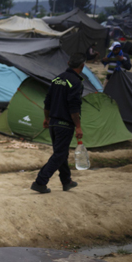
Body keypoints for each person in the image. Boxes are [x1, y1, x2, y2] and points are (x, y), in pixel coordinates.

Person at [31, 52, 86, 194]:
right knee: (60, 154)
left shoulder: (57, 79)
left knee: (61, 153)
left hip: (54, 123)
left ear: (68, 63)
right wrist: (78, 126)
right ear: (82, 66)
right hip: (65, 124)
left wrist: (47, 118)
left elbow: (47, 101)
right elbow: (73, 107)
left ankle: (66, 181)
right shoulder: (76, 82)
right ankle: (40, 182)